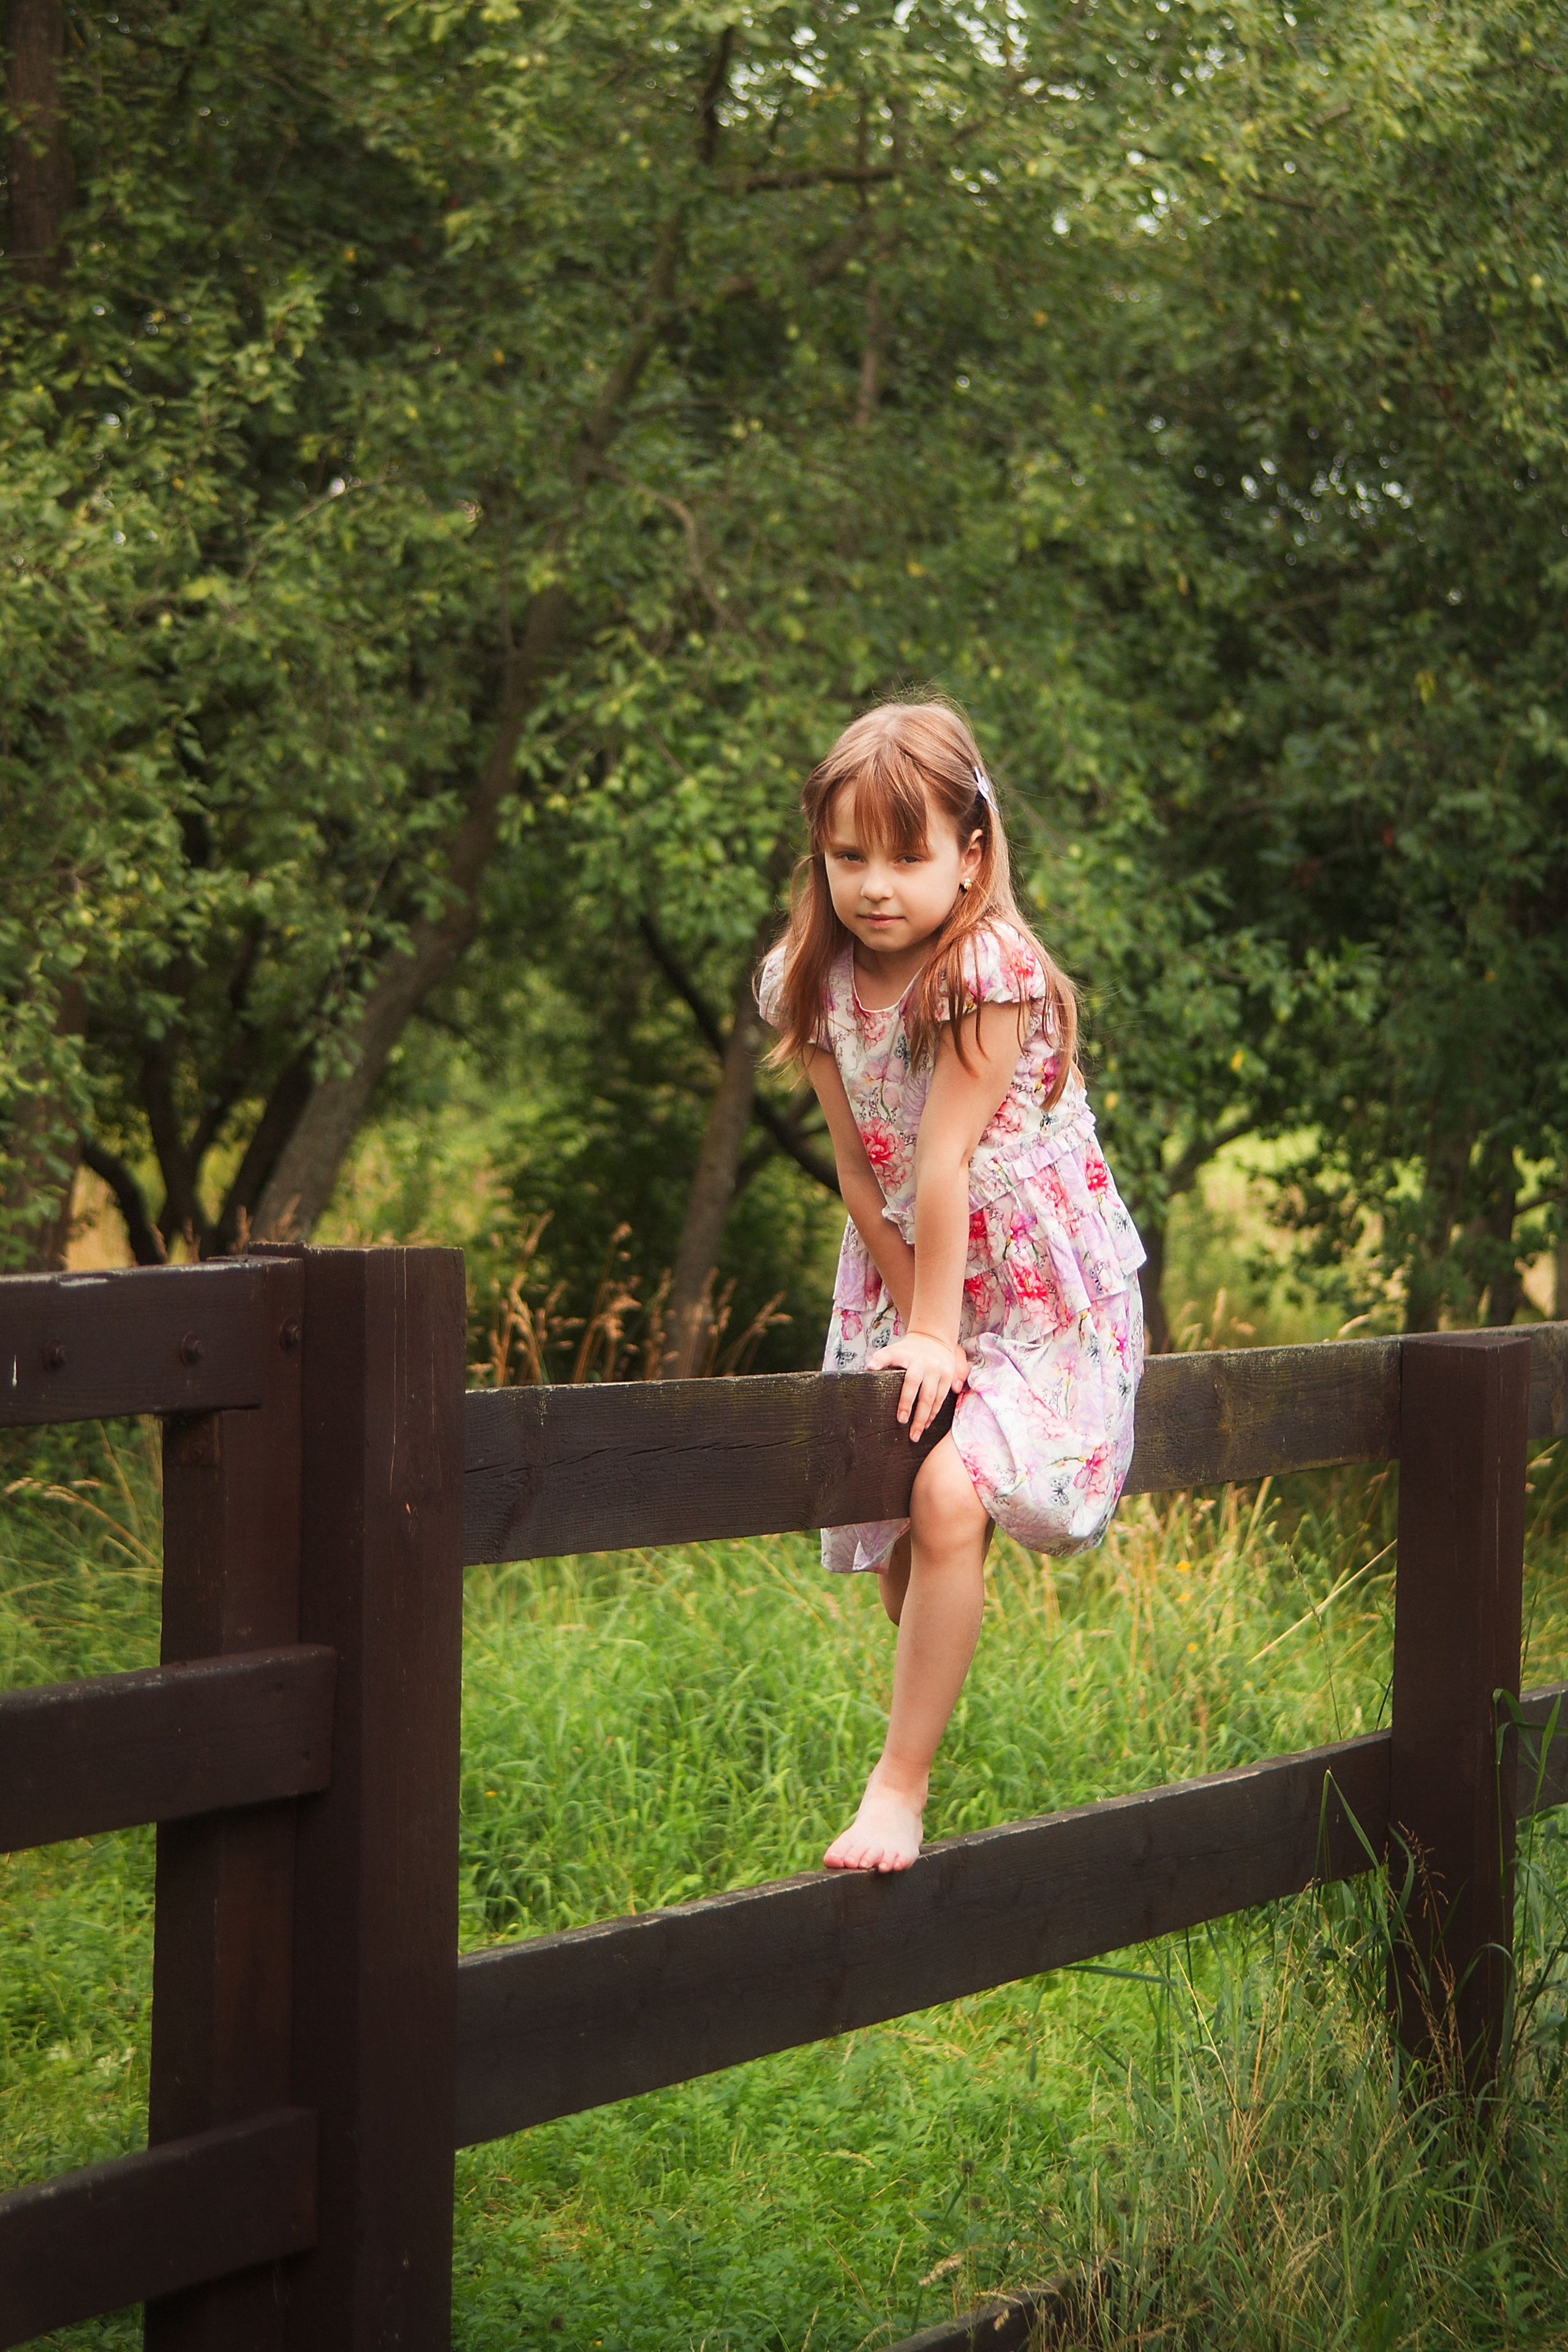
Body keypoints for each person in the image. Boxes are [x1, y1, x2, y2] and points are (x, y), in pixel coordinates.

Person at [756, 698, 1145, 1874]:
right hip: (909, 1268)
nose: (876, 884)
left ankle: (897, 1791)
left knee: (945, 1498)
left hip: (1036, 1283)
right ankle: (938, 1642)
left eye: (908, 854)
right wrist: (914, 1313)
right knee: (907, 1545)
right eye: (848, 856)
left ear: (971, 853)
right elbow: (860, 1166)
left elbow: (944, 1157)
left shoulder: (989, 968)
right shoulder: (810, 978)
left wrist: (945, 1335)